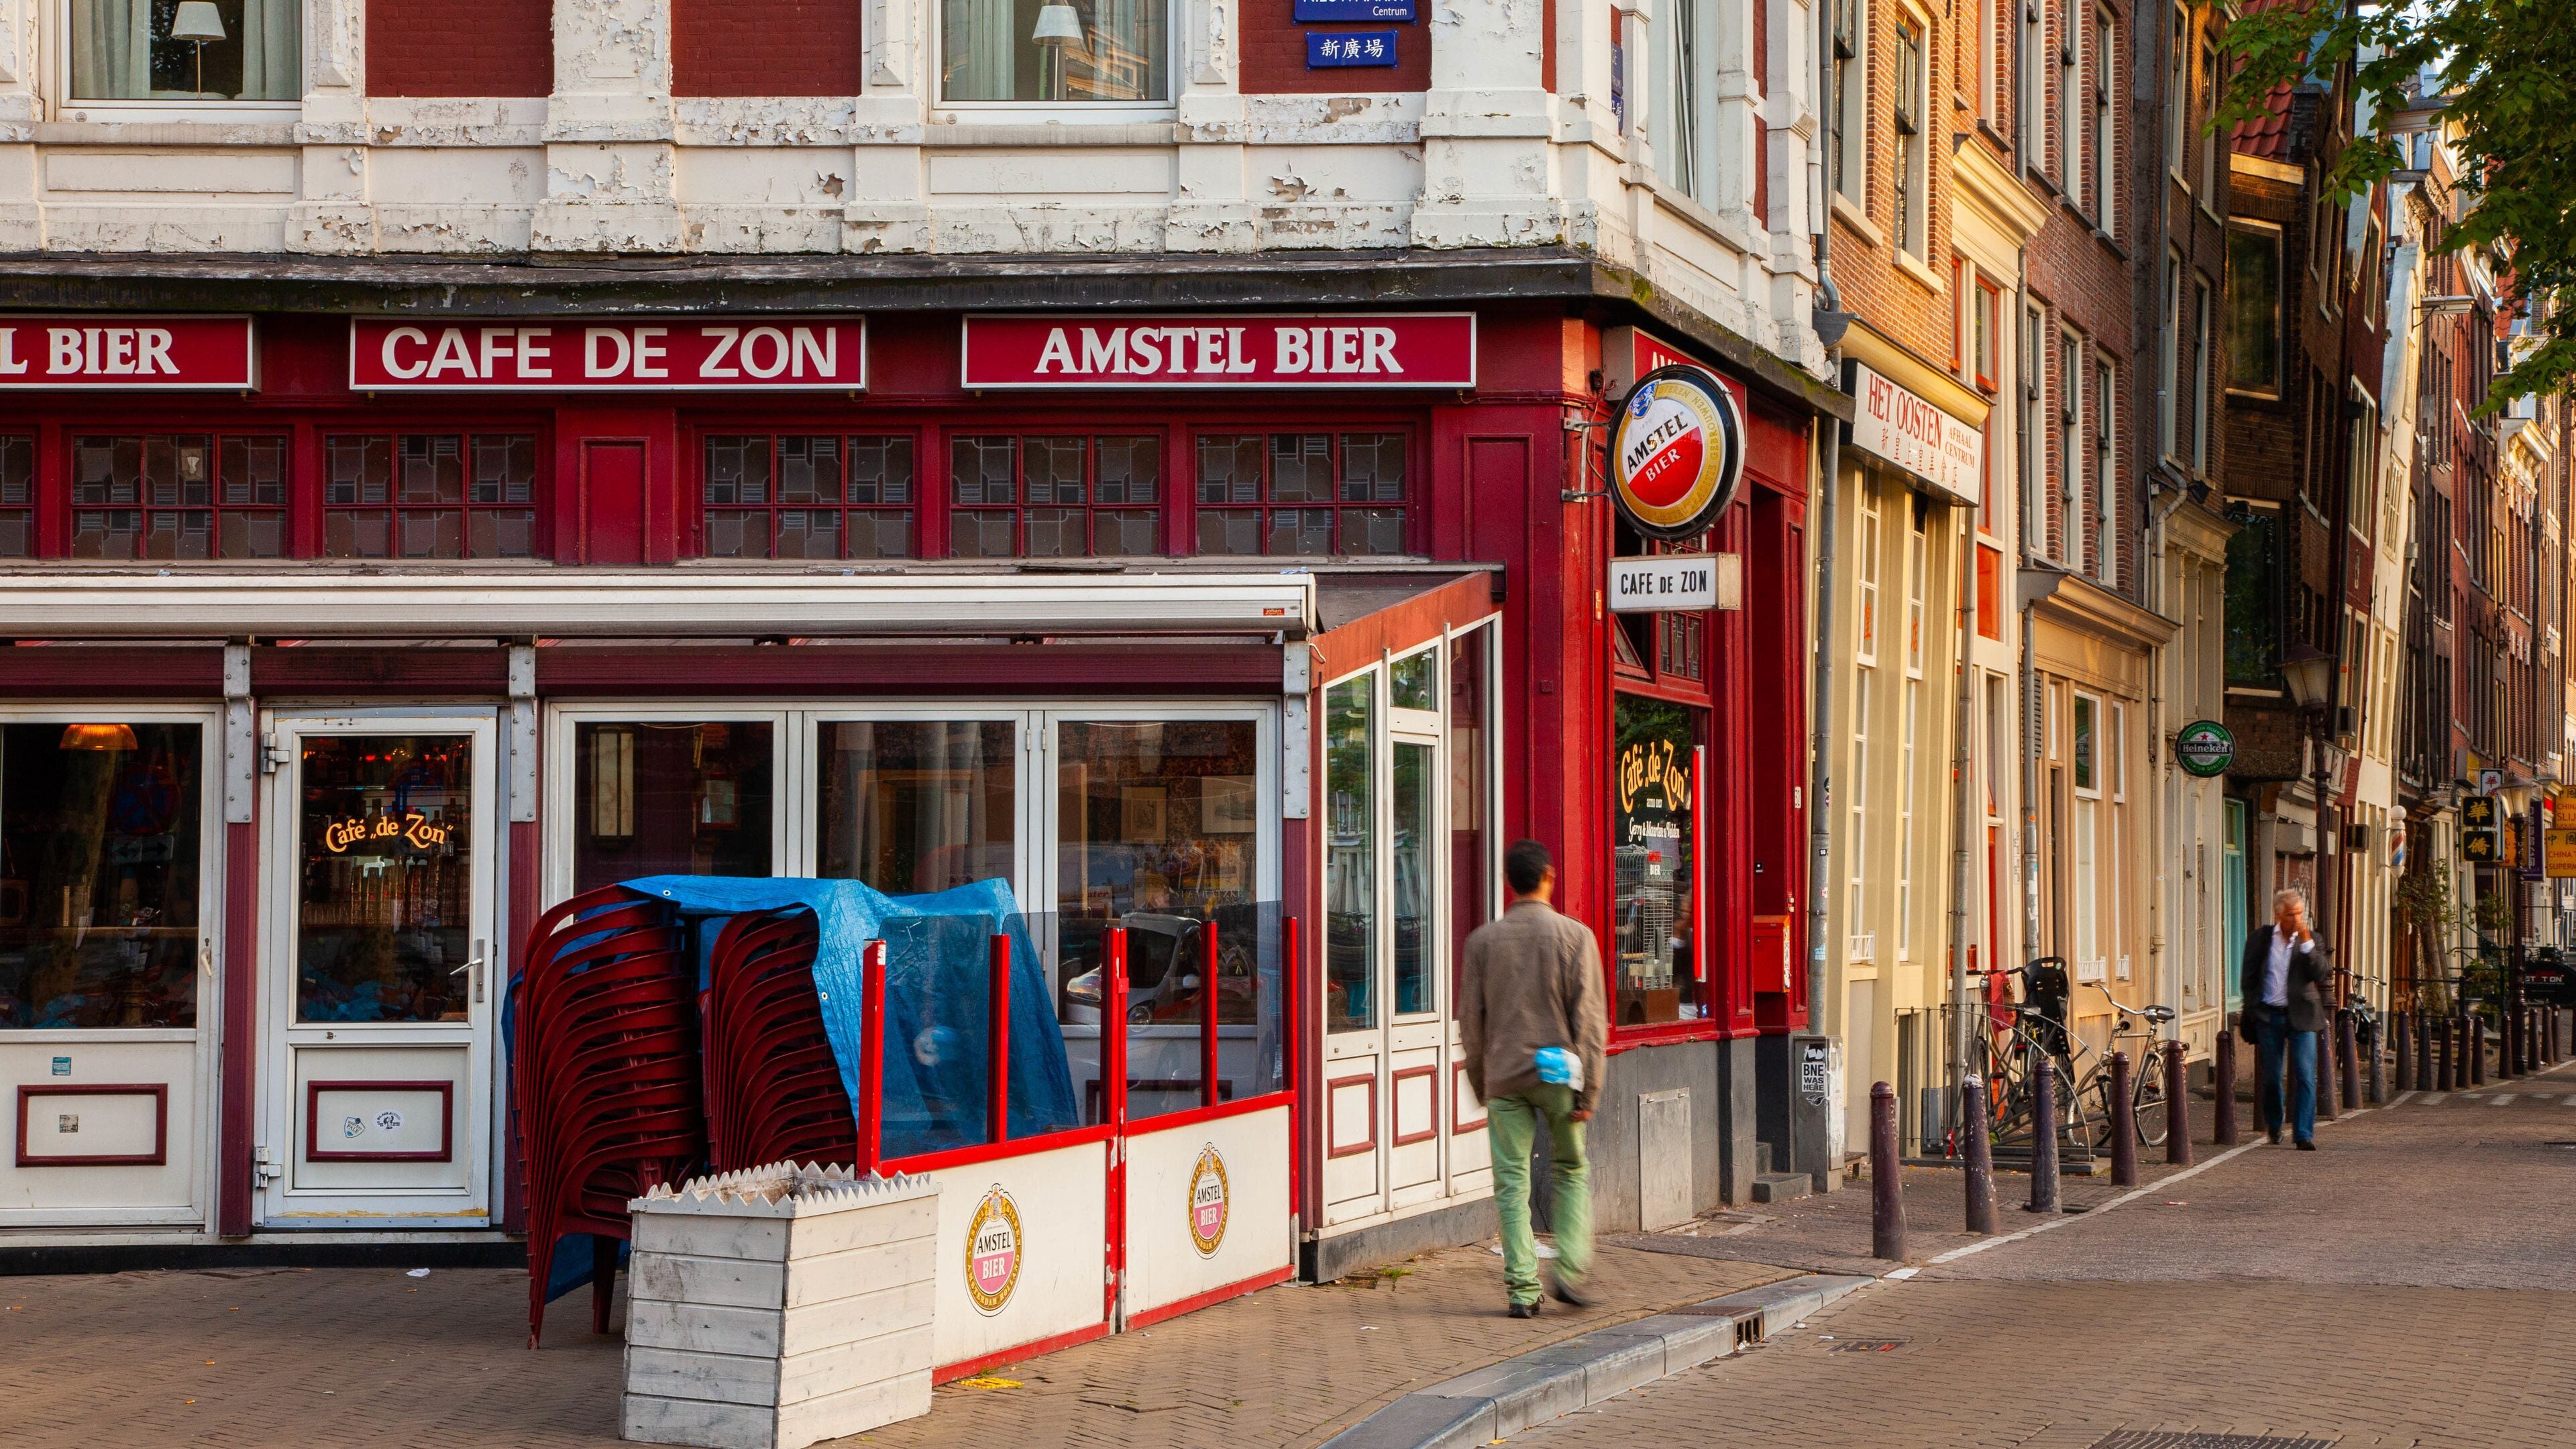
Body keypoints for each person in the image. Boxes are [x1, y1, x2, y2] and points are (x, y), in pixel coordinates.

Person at [1460, 839, 1608, 1317]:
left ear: (1510, 883)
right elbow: (1588, 1020)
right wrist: (1590, 1091)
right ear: (1549, 873)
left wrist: (1483, 1083)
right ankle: (1568, 1267)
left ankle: (1522, 1289)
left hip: (1505, 1075)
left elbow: (1471, 1022)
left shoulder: (1482, 942)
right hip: (1559, 1076)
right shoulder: (1575, 936)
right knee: (1570, 1169)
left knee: (1511, 1185)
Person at [2239, 886, 2330, 1150]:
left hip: (2303, 1017)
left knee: (2304, 1075)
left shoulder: (2312, 939)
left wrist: (2307, 945)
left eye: (2300, 914)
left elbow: (2319, 973)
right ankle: (2275, 1125)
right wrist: (2254, 1008)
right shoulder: (2261, 939)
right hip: (2270, 1016)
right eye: (2291, 915)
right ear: (2279, 915)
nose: (2297, 920)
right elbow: (2249, 977)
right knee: (2271, 1077)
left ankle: (2303, 1134)